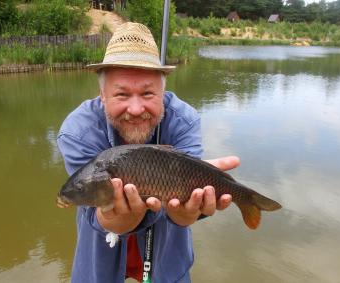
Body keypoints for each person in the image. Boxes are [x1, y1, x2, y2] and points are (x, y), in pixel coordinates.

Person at [57, 22, 239, 283]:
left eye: (147, 93)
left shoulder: (183, 120)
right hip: (100, 254)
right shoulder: (77, 131)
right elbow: (94, 212)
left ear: (163, 93)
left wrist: (187, 211)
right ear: (102, 95)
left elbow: (182, 213)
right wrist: (120, 217)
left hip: (166, 255)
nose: (135, 108)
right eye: (121, 94)